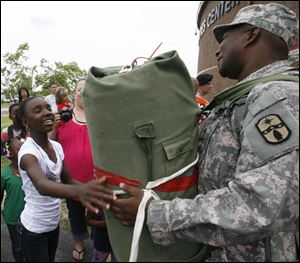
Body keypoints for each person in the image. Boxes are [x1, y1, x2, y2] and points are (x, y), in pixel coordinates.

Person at [101, 3, 299, 262]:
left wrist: (154, 214)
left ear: (252, 34)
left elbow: (262, 206)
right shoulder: (241, 98)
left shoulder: (277, 96)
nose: (218, 48)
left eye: (226, 37)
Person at [16, 96, 115, 262]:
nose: (47, 113)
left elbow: (68, 180)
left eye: (48, 108)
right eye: (38, 110)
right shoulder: (28, 153)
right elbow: (42, 185)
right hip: (34, 229)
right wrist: (79, 191)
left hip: (52, 225)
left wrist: (91, 190)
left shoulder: (56, 147)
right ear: (26, 122)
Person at [49, 78, 95, 261]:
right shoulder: (63, 115)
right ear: (73, 92)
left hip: (96, 178)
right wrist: (53, 125)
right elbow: (50, 142)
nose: (83, 93)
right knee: (75, 213)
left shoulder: (99, 115)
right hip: (71, 178)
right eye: (79, 90)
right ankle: (79, 243)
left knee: (100, 213)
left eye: (87, 90)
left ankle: (102, 246)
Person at [1, 138, 26, 262]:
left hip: (31, 217)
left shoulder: (32, 171)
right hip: (13, 217)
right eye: (20, 149)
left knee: (31, 245)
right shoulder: (4, 174)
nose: (24, 150)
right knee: (18, 247)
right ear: (10, 154)